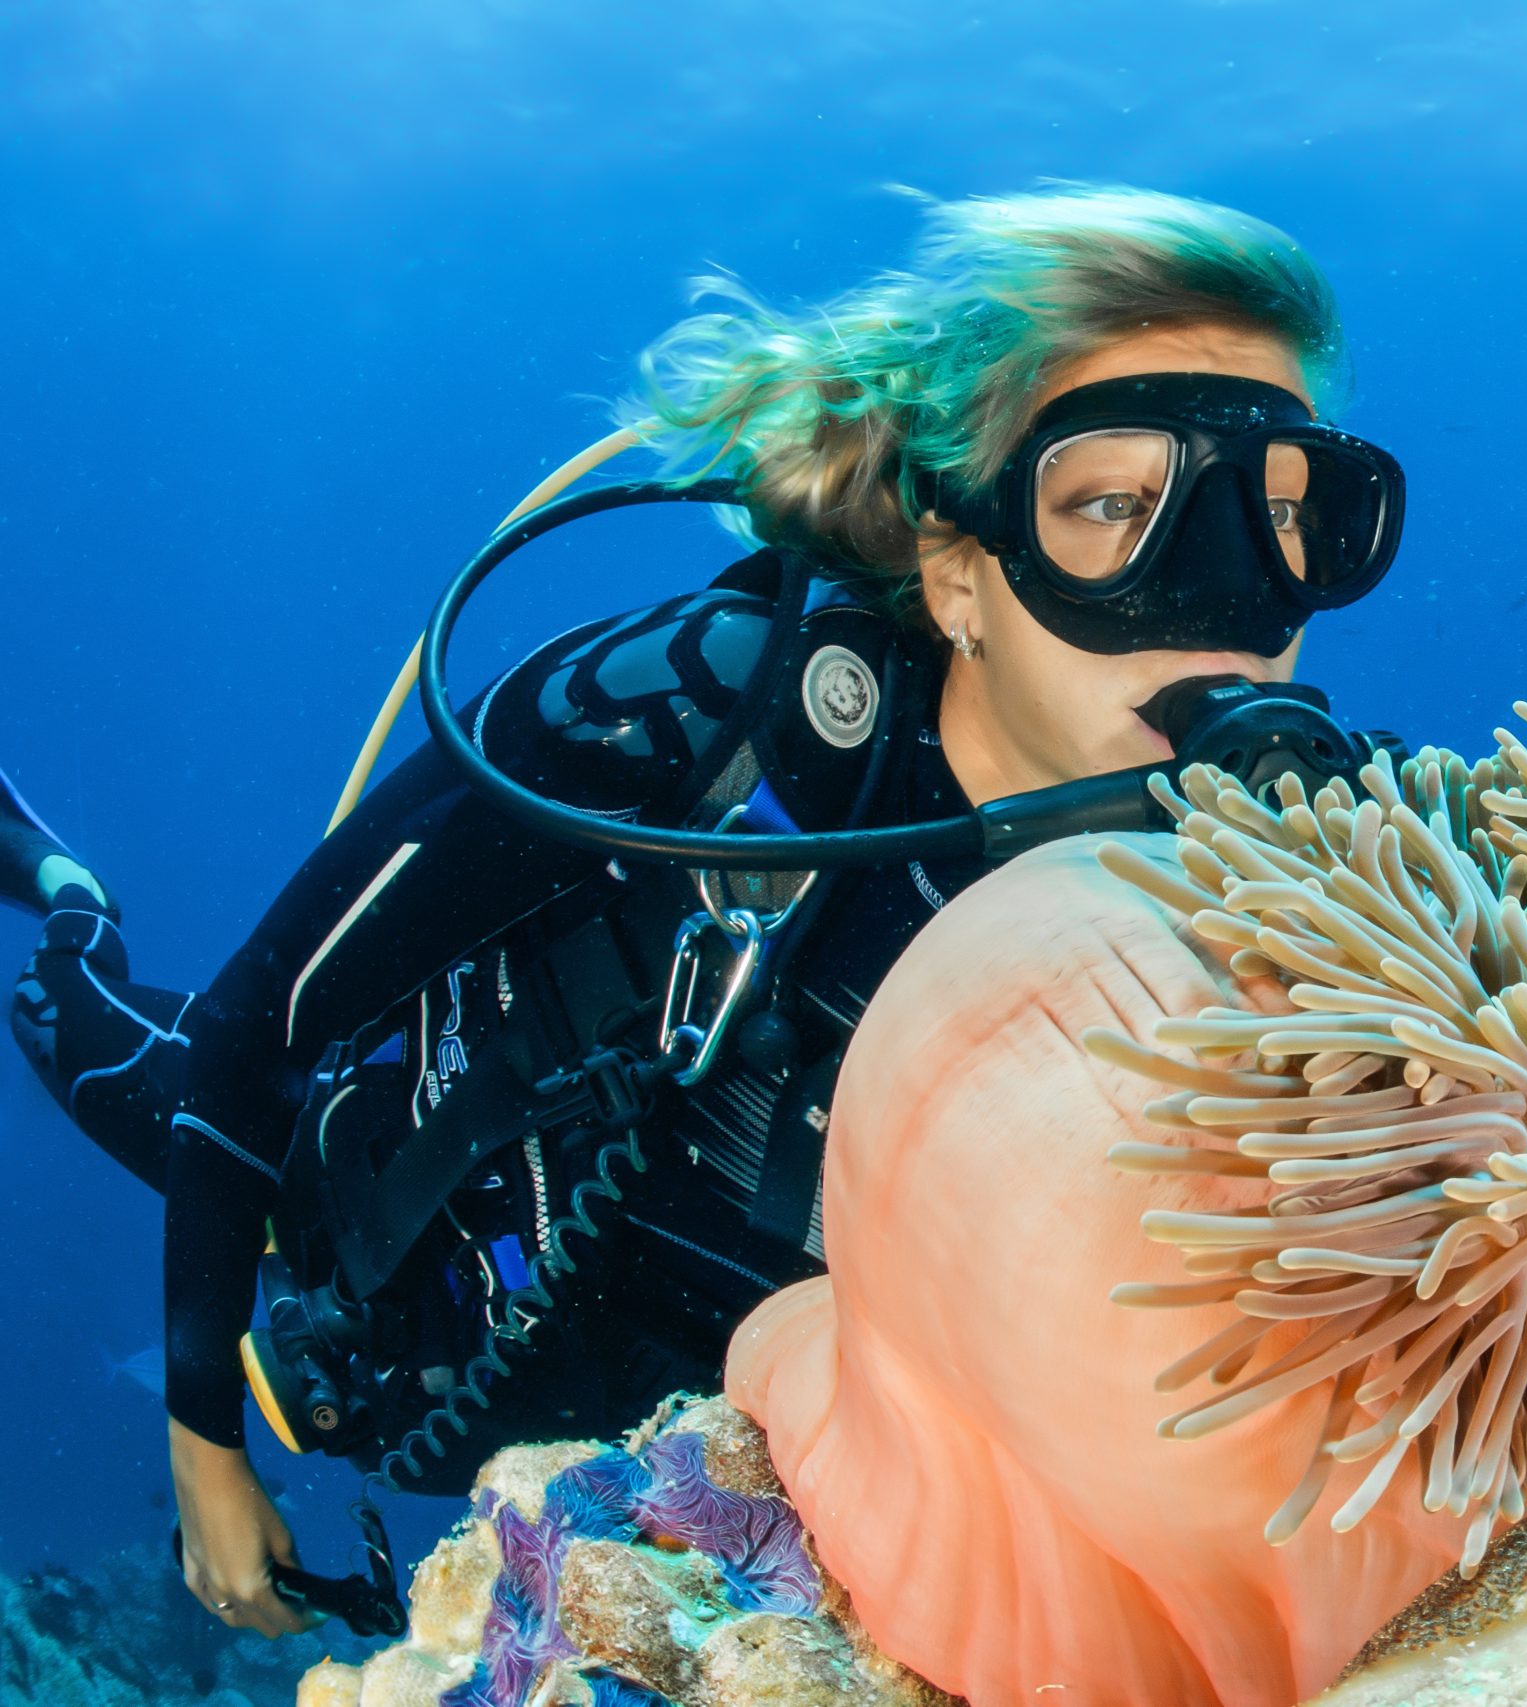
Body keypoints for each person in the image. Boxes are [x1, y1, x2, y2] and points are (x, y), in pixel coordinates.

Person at [3, 182, 1405, 1639]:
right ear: (957, 567)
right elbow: (252, 1027)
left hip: (710, 1425)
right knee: (102, 1041)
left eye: (1293, 520)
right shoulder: (683, 719)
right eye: (1116, 507)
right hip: (372, 1212)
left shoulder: (1274, 876)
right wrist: (205, 1454)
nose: (1234, 600)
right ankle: (56, 888)